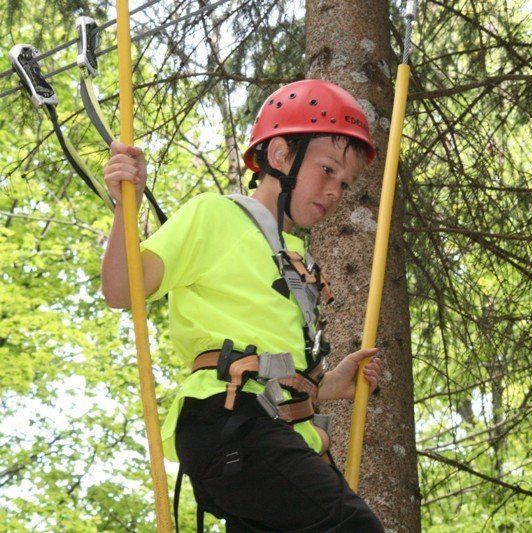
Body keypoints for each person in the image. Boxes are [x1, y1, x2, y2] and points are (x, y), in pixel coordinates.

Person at [101, 79, 385, 531]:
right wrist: (125, 206)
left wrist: (329, 384)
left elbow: (272, 360)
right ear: (281, 155)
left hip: (274, 429)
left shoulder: (296, 258)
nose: (334, 191)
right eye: (327, 170)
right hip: (230, 419)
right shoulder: (215, 216)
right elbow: (121, 289)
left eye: (345, 183)